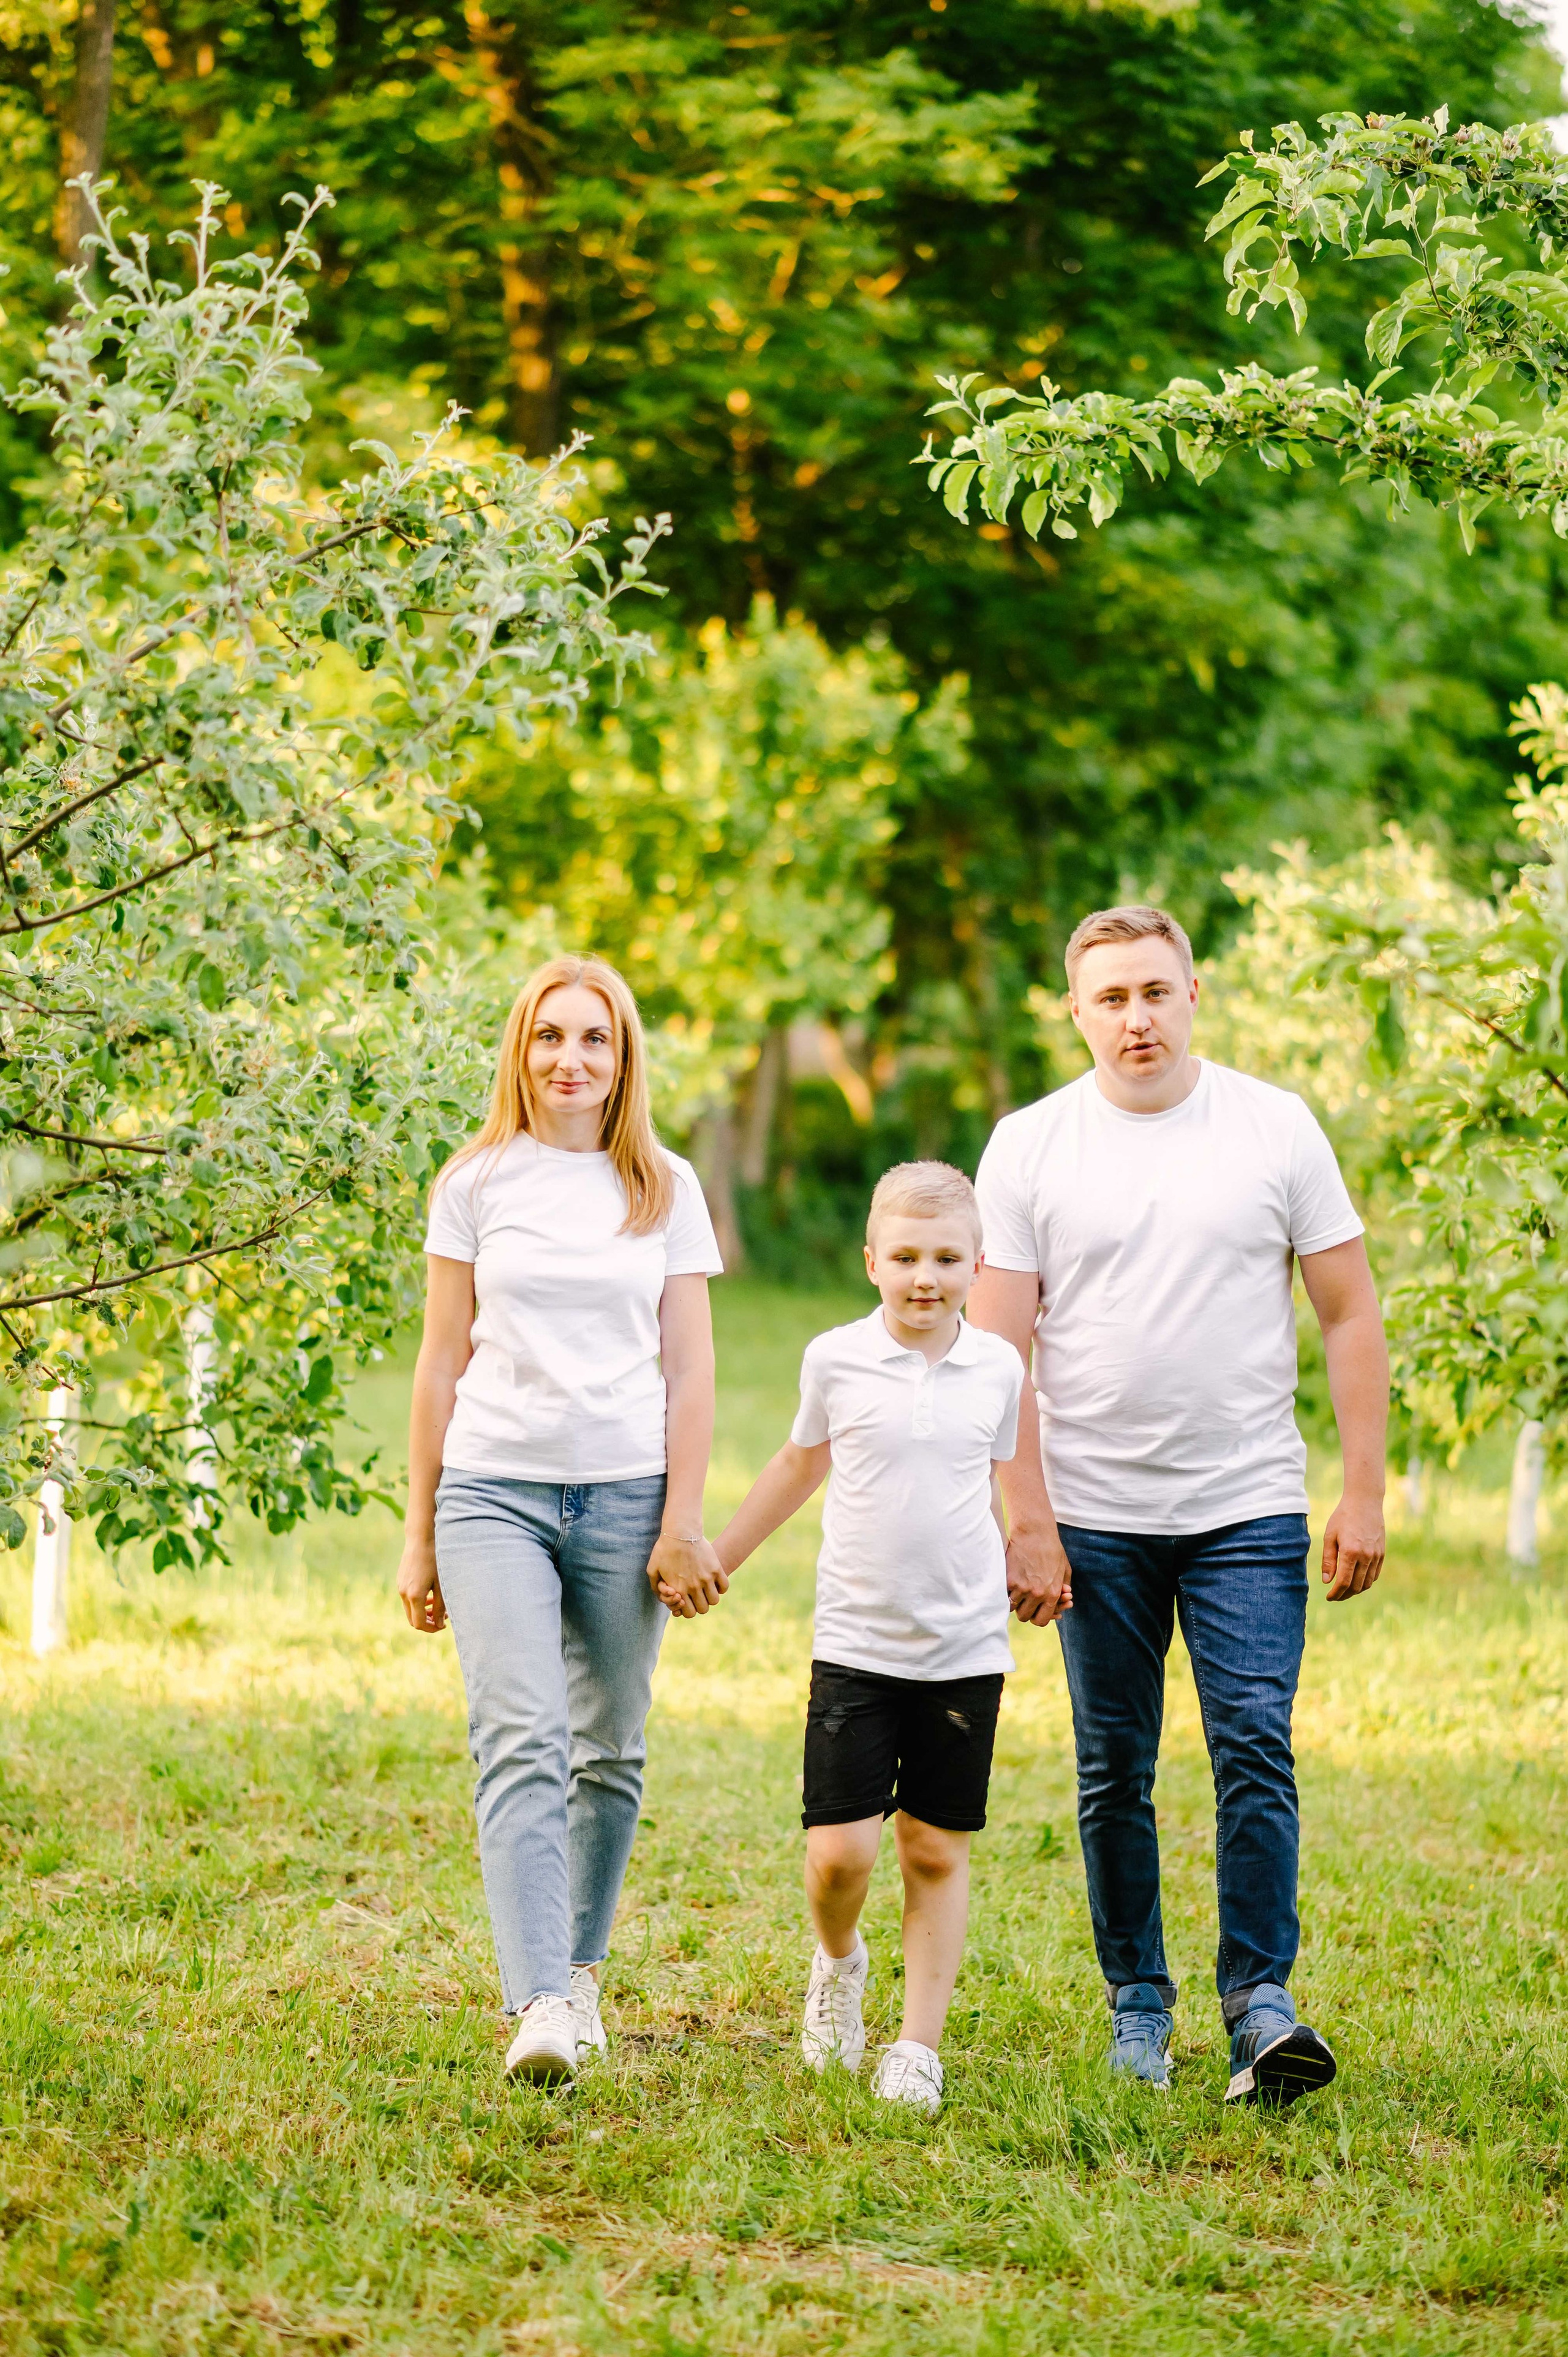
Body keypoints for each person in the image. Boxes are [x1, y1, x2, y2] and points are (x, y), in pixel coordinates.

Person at [970, 904, 1388, 2106]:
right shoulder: (1029, 1145)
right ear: (1076, 1010)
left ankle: (1260, 2007)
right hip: (1093, 1516)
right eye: (1110, 998)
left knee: (1253, 1743)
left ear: (1192, 993)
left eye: (1154, 991)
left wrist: (1363, 1492)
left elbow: (1348, 1311)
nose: (1135, 1018)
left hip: (1245, 1507)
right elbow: (999, 1352)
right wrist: (1028, 1518)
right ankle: (1138, 2007)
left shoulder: (1274, 1125)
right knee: (1114, 1765)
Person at [397, 954, 727, 2084]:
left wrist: (683, 1518)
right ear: (521, 1049)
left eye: (595, 1038)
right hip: (491, 1491)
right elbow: (439, 1363)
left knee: (612, 1747)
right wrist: (418, 1533)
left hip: (628, 1498)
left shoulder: (666, 1187)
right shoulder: (475, 1181)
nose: (570, 1059)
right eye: (550, 1036)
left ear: (623, 1058)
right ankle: (537, 2000)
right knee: (521, 1737)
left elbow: (692, 1368)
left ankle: (581, 1973)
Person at [666, 1161, 1026, 2115]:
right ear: (871, 1262)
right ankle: (838, 1962)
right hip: (857, 1647)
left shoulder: (999, 1367)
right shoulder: (836, 1358)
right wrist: (718, 1557)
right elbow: (798, 1464)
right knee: (840, 1857)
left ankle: (917, 2047)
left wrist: (1031, 1559)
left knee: (934, 1849)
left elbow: (997, 1484)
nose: (925, 1278)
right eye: (905, 1258)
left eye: (946, 1259)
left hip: (963, 1652)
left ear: (977, 1266)